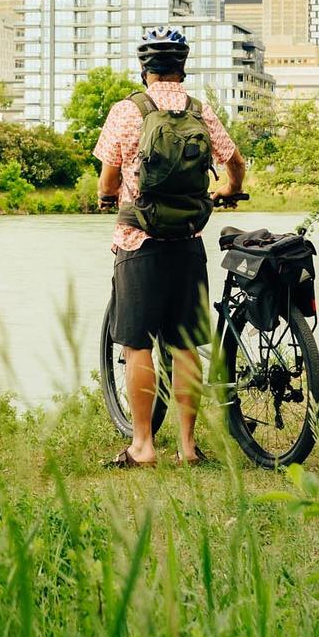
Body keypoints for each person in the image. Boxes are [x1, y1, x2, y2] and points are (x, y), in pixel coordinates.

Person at [93, 26, 245, 468]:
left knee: (137, 344)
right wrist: (229, 190)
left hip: (138, 240)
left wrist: (107, 197)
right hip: (188, 241)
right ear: (182, 68)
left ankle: (142, 446)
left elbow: (107, 177)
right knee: (184, 345)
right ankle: (188, 446)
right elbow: (234, 163)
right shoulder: (201, 110)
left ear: (145, 71)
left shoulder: (126, 111)